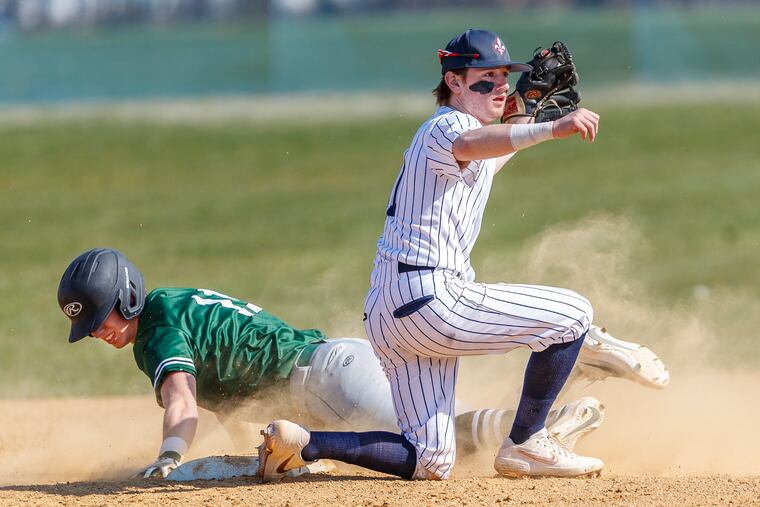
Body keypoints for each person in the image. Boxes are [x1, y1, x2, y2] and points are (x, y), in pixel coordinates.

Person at [257, 29, 663, 481]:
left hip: (393, 313)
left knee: (431, 458)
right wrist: (551, 127)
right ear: (454, 82)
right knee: (572, 314)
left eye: (504, 78)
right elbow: (472, 145)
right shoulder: (447, 125)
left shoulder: (463, 138)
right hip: (432, 299)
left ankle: (303, 444)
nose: (500, 87)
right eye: (485, 79)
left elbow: (487, 154)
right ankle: (527, 442)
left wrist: (524, 114)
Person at [58, 248, 665, 479]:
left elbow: (183, 400)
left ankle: (548, 409)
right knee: (430, 440)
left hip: (322, 382)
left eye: (103, 317)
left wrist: (168, 459)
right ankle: (545, 396)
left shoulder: (159, 327)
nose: (100, 333)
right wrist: (256, 458)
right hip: (332, 371)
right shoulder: (173, 309)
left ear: (130, 298)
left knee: (432, 449)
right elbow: (229, 400)